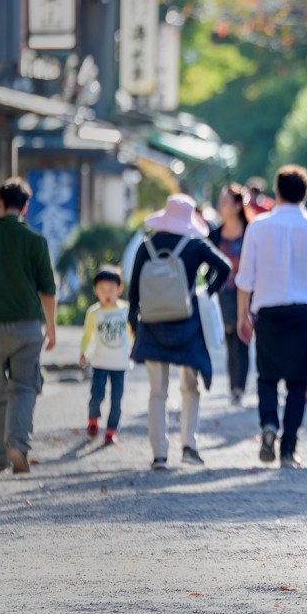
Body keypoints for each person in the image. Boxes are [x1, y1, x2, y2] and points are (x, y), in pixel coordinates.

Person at [236, 165, 307, 469]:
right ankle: (288, 449)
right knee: (298, 382)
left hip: (269, 311)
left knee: (267, 376)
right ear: (306, 192)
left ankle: (269, 423)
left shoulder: (258, 226)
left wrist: (243, 314)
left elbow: (245, 278)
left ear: (277, 190)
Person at [130, 193, 232, 470]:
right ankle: (189, 446)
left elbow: (133, 291)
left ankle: (159, 454)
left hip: (152, 324)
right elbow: (225, 267)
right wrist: (206, 292)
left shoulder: (146, 245)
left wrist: (134, 324)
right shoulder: (195, 244)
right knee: (190, 388)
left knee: (157, 392)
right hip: (186, 324)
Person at [0, 177, 56, 474]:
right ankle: (17, 443)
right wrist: (51, 327)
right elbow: (48, 290)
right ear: (26, 207)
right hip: (27, 329)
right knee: (25, 387)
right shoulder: (36, 241)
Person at [78, 266, 131, 446]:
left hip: (121, 364)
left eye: (111, 290)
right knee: (97, 395)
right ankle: (93, 418)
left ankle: (111, 430)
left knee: (117, 399)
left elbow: (133, 334)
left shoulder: (126, 311)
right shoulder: (94, 312)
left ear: (120, 289)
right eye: (102, 290)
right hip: (100, 362)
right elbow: (87, 335)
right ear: (96, 291)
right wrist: (84, 352)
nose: (106, 294)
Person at [210, 183, 251, 405]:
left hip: (245, 293)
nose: (220, 206)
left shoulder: (250, 230)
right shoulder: (214, 234)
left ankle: (239, 387)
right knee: (230, 340)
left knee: (242, 338)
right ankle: (233, 386)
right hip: (223, 294)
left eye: (225, 202)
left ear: (237, 206)